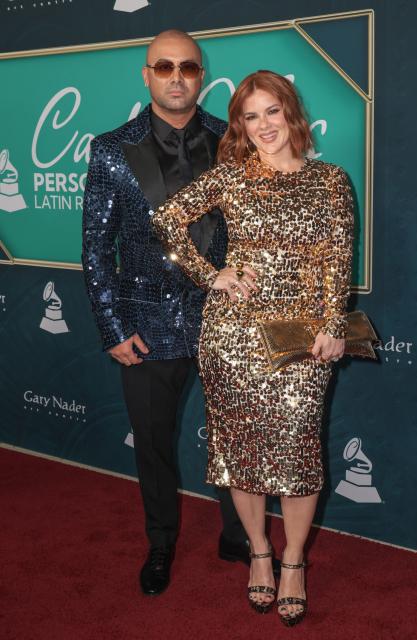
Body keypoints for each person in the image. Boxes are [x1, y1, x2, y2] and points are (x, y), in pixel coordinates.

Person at [152, 70, 353, 626]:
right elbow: (166, 219)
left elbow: (337, 260)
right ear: (240, 124)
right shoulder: (233, 177)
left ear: (292, 112)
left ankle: (293, 561)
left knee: (297, 452)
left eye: (272, 111)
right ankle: (259, 553)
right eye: (250, 115)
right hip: (232, 334)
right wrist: (209, 273)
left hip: (302, 339)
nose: (263, 125)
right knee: (240, 452)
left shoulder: (331, 181)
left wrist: (333, 324)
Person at [82, 30, 260, 597]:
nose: (177, 76)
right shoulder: (111, 149)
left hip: (226, 320)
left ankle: (241, 535)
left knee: (237, 438)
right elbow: (95, 247)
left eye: (188, 66)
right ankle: (161, 542)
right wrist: (113, 326)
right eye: (164, 66)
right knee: (153, 444)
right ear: (147, 75)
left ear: (202, 75)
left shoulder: (234, 140)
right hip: (146, 326)